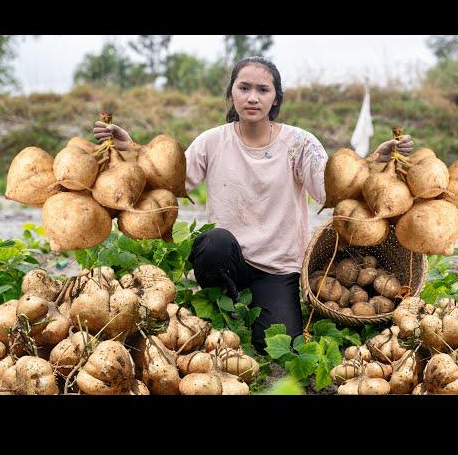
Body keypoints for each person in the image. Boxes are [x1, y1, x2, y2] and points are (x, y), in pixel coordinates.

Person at [93, 56, 413, 354]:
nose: (252, 97)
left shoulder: (299, 144)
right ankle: (225, 298)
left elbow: (330, 190)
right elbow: (172, 182)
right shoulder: (212, 141)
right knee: (214, 242)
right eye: (244, 88)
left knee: (278, 346)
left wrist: (375, 164)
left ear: (276, 98)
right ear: (232, 92)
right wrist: (130, 149)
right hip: (227, 258)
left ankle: (248, 306)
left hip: (278, 269)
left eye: (263, 89)